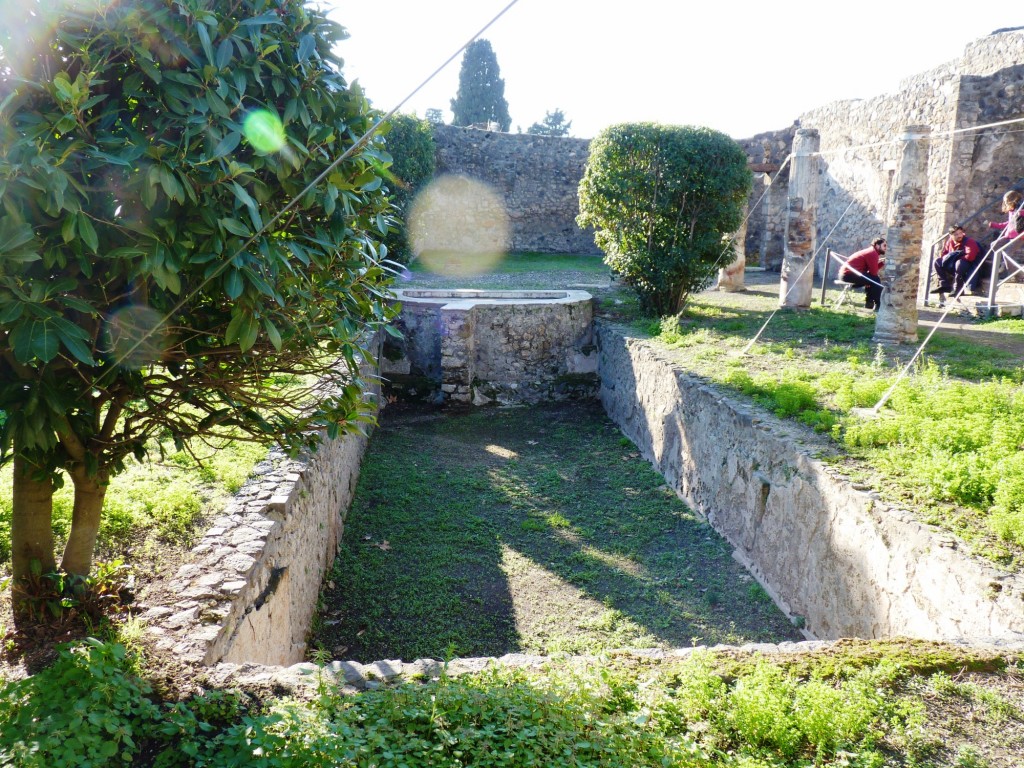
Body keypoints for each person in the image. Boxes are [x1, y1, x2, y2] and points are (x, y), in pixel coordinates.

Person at [934, 223, 983, 295]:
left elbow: (970, 256)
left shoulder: (969, 241)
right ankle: (944, 285)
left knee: (959, 263)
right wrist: (948, 260)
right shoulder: (949, 242)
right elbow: (944, 253)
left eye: (960, 233)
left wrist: (956, 259)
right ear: (951, 236)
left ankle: (958, 289)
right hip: (953, 264)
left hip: (967, 264)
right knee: (937, 261)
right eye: (956, 234)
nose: (959, 236)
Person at [839, 236, 886, 310]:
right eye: (884, 245)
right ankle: (877, 304)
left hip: (847, 274)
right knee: (876, 280)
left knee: (872, 280)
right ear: (877, 245)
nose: (885, 248)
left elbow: (872, 272)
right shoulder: (873, 253)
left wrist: (881, 263)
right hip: (848, 275)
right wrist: (869, 278)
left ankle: (870, 303)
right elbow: (873, 273)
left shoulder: (872, 252)